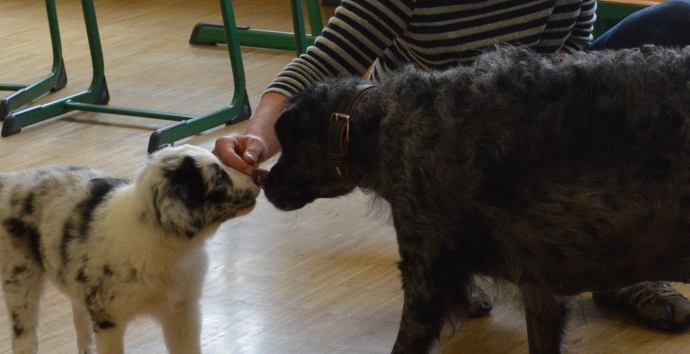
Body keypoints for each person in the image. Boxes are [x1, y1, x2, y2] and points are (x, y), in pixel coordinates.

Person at [215, 0, 690, 331]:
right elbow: (324, 61)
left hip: (520, 104)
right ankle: (461, 254)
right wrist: (256, 141)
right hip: (433, 136)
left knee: (673, 21)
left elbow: (566, 62)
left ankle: (623, 261)